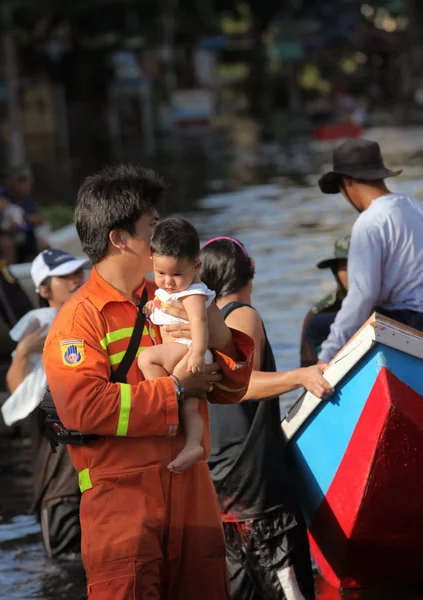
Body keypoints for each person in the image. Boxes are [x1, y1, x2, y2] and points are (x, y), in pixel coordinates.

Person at [42, 164, 254, 599]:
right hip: (120, 504)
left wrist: (218, 338)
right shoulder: (78, 321)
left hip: (192, 494)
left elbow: (231, 389)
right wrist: (176, 389)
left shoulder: (172, 300)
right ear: (119, 239)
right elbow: (84, 407)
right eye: (152, 227)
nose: (161, 238)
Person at [181, 235, 332, 600]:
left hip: (221, 488)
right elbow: (241, 383)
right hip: (258, 495)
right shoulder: (243, 314)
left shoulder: (196, 329)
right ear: (251, 271)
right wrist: (300, 375)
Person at [4, 249, 90, 559]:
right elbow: (17, 392)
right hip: (60, 490)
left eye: (78, 272)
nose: (75, 279)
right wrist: (26, 350)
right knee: (66, 575)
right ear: (43, 290)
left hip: (99, 482)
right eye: (65, 276)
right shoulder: (38, 327)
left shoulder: (91, 320)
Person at [318, 138, 423, 363]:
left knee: (316, 327)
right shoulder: (416, 206)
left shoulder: (369, 222)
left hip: (405, 322)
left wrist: (327, 357)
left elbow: (364, 294)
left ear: (347, 183)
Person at [139, 218, 216, 473]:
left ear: (196, 266)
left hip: (186, 351)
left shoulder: (192, 293)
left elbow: (200, 323)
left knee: (146, 359)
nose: (168, 281)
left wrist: (195, 353)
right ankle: (193, 444)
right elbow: (163, 306)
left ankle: (163, 408)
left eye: (177, 274)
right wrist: (152, 307)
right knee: (191, 406)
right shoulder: (166, 291)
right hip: (183, 357)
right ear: (152, 261)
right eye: (161, 273)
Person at [300, 235, 349, 367]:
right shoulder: (318, 315)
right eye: (344, 265)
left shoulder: (394, 304)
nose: (351, 271)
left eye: (356, 264)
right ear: (336, 271)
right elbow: (307, 369)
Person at [0, 164, 45, 262]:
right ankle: (7, 276)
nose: (26, 185)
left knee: (44, 246)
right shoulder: (3, 194)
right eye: (20, 181)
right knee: (6, 243)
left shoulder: (26, 200)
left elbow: (40, 219)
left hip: (25, 238)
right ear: (11, 182)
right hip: (6, 238)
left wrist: (22, 216)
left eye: (26, 181)